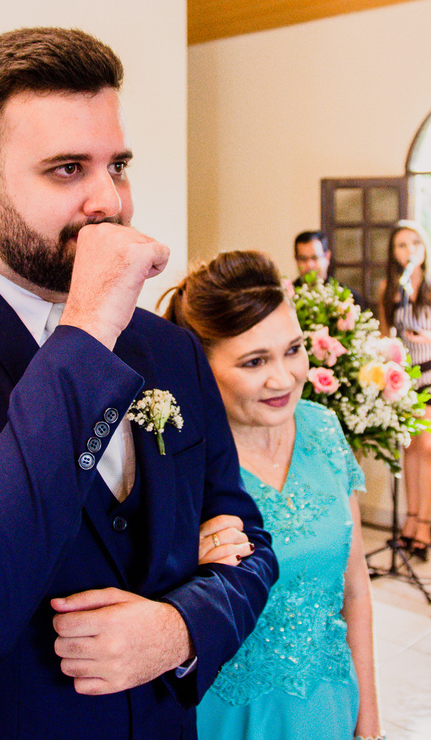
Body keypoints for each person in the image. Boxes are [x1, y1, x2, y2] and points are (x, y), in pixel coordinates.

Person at [0, 28, 278, 740]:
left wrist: (181, 628)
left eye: (117, 165)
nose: (109, 200)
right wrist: (89, 327)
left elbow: (245, 536)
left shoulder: (172, 350)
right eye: (68, 169)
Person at [162, 250, 383, 740]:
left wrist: (368, 721)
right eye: (254, 361)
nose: (283, 379)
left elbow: (355, 589)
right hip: (228, 716)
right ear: (201, 366)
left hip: (326, 702)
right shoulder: (178, 462)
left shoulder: (323, 429)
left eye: (293, 349)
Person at [377, 219, 431, 558]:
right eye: (401, 245)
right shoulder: (389, 289)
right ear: (393, 253)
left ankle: (427, 523)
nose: (409, 251)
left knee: (430, 447)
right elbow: (384, 334)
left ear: (425, 249)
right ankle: (409, 521)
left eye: (415, 244)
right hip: (408, 376)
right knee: (409, 449)